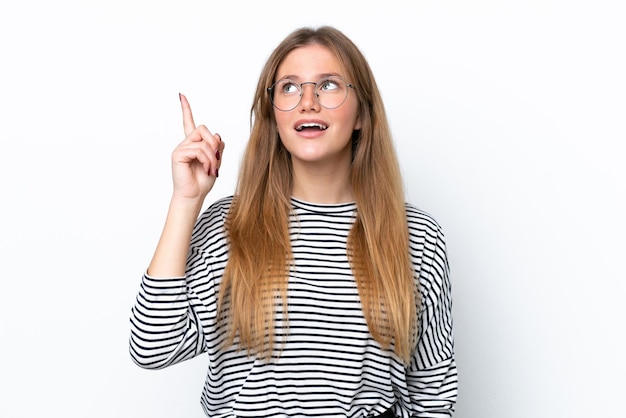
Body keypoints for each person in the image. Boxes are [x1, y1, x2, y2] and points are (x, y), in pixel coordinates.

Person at [129, 26, 457, 418]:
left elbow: (433, 391)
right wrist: (186, 200)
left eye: (329, 85)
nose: (307, 102)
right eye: (289, 88)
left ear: (362, 115)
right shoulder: (230, 224)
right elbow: (153, 346)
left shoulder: (416, 236)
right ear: (273, 116)